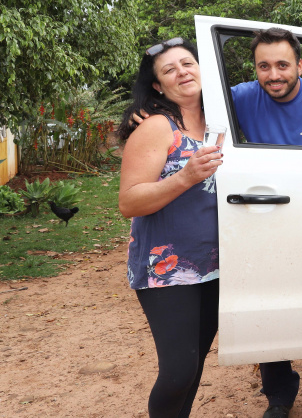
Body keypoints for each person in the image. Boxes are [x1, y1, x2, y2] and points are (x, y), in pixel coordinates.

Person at [134, 27, 302, 418]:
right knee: (271, 311)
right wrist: (146, 110)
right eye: (264, 66)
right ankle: (279, 394)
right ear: (255, 69)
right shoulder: (236, 98)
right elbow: (187, 105)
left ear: (299, 66)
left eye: (283, 65)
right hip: (263, 220)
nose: (274, 75)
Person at [117, 38, 223, 418]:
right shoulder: (157, 127)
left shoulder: (222, 120)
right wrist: (185, 177)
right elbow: (129, 201)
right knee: (177, 371)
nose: (182, 72)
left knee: (192, 369)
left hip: (213, 262)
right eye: (169, 70)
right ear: (158, 86)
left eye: (187, 63)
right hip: (166, 267)